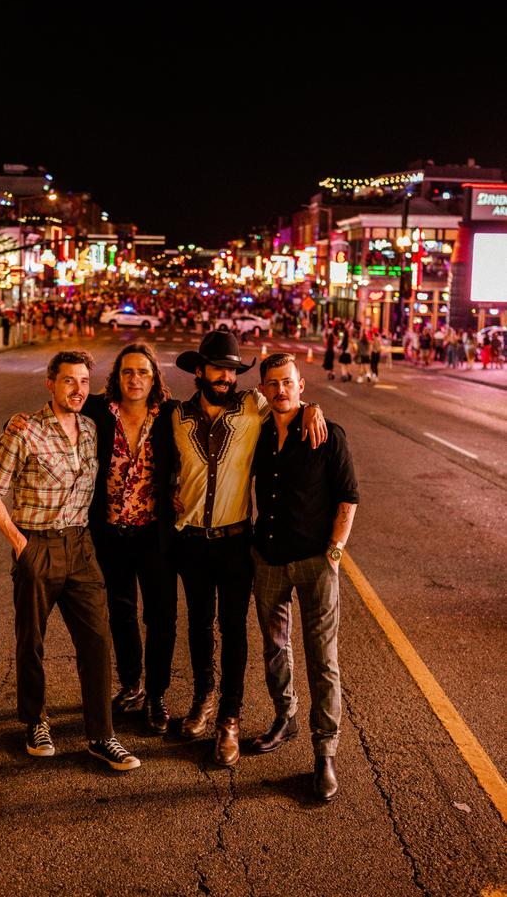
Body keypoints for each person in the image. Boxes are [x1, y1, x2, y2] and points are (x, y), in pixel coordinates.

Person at [0, 350, 140, 772]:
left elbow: (145, 402)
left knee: (97, 640)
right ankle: (35, 721)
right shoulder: (25, 428)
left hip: (81, 547)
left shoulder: (89, 428)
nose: (78, 389)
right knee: (31, 641)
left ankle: (101, 735)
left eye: (84, 381)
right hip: (38, 546)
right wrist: (19, 543)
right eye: (69, 380)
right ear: (50, 383)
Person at [172, 331, 327, 768]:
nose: (225, 377)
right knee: (199, 625)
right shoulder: (177, 416)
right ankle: (203, 697)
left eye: (233, 370)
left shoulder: (251, 407)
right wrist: (169, 490)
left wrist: (313, 406)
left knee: (234, 629)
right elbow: (163, 461)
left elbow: (288, 405)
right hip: (191, 542)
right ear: (199, 371)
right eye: (218, 368)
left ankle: (229, 718)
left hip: (235, 541)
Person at [250, 352, 359, 802]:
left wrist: (334, 553)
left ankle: (325, 752)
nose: (281, 390)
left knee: (322, 659)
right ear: (264, 389)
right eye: (273, 383)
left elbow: (348, 499)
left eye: (288, 383)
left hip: (316, 562)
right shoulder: (256, 432)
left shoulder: (326, 433)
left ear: (301, 384)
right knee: (275, 647)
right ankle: (285, 716)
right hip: (270, 559)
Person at [84, 344, 178, 735]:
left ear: (154, 376)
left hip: (155, 535)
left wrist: (310, 408)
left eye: (142, 371)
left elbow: (230, 405)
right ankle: (132, 685)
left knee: (161, 617)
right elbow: (59, 402)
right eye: (127, 372)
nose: (134, 379)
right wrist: (18, 422)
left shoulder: (171, 414)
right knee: (120, 614)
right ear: (117, 377)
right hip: (111, 535)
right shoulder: (97, 410)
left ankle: (156, 695)